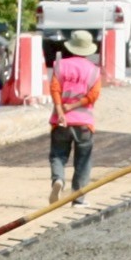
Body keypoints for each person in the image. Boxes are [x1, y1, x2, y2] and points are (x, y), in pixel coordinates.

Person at [49, 29, 101, 203]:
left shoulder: (60, 65)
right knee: (83, 161)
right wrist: (74, 106)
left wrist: (61, 112)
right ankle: (78, 199)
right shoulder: (94, 71)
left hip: (61, 122)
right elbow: (93, 96)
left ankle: (58, 179)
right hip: (84, 123)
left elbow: (55, 90)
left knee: (58, 155)